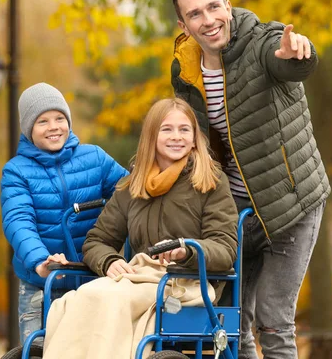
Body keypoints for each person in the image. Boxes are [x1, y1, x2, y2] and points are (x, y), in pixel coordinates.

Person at [166, 0, 330, 359]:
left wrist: (296, 53)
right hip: (238, 213)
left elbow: (288, 61)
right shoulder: (186, 69)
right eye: (195, 14)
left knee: (273, 320)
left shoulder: (260, 41)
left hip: (291, 205)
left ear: (228, 5)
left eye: (212, 7)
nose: (208, 20)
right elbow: (195, 142)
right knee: (231, 322)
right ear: (184, 25)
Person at [41, 98, 238, 358]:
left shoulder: (210, 182)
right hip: (138, 277)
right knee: (79, 298)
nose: (176, 137)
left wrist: (187, 251)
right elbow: (96, 241)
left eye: (184, 129)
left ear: (194, 138)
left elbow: (225, 248)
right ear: (151, 136)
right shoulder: (133, 186)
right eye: (166, 129)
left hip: (187, 283)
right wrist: (109, 261)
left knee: (112, 300)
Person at [0, 82, 128, 344]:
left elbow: (130, 192)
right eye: (42, 121)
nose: (54, 127)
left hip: (91, 278)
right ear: (28, 129)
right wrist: (40, 260)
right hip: (42, 281)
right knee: (39, 347)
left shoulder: (94, 158)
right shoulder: (16, 171)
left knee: (90, 347)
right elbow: (18, 221)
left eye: (59, 118)